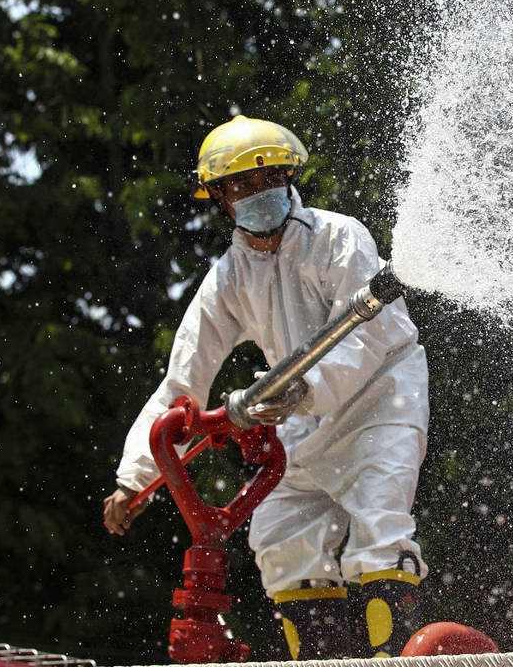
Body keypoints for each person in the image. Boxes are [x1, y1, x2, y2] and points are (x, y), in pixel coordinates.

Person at [102, 115, 430, 660]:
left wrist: (304, 390)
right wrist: (135, 478)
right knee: (282, 544)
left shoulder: (338, 236)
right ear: (221, 200)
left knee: (379, 530)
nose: (257, 193)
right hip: (297, 413)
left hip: (381, 398)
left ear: (288, 178)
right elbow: (182, 386)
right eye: (240, 185)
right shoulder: (228, 277)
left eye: (266, 179)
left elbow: (369, 338)